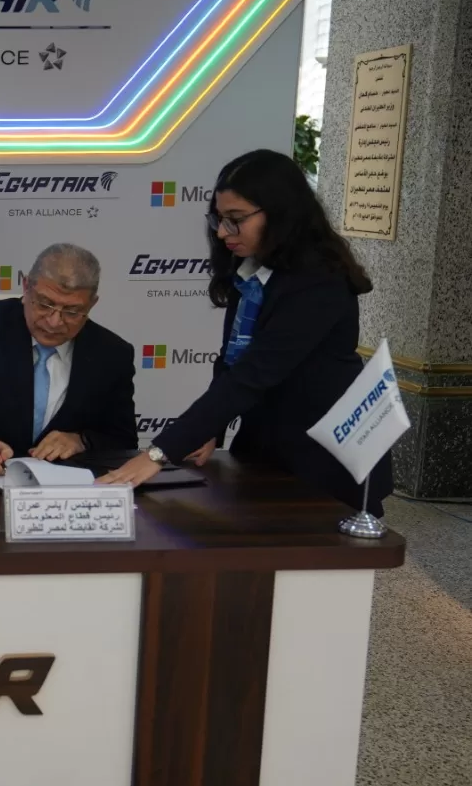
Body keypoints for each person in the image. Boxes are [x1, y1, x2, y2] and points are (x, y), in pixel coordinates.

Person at [98, 149, 394, 515]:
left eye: (235, 220)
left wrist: (158, 453)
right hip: (266, 452)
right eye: (219, 219)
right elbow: (231, 361)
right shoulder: (252, 272)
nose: (222, 232)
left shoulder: (320, 282)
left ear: (281, 213)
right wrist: (212, 427)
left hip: (324, 464)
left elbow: (254, 374)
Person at [0, 244, 137, 473]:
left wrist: (81, 440)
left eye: (72, 311)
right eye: (44, 304)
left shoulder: (113, 354)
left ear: (92, 304)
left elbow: (124, 440)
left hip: (65, 487)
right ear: (26, 287)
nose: (54, 322)